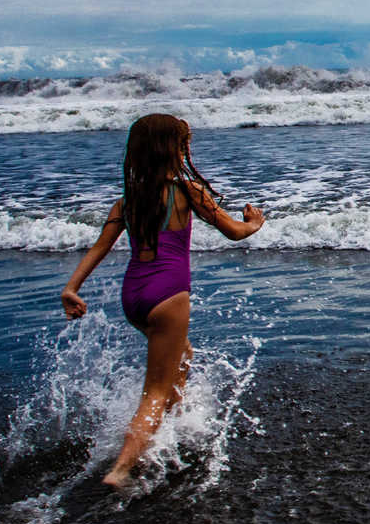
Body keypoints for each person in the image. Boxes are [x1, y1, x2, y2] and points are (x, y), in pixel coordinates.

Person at [60, 113, 265, 488]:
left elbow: (99, 248)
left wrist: (71, 288)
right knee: (154, 390)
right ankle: (121, 469)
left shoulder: (127, 201)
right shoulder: (189, 191)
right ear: (176, 149)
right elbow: (236, 233)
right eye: (185, 142)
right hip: (168, 295)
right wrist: (255, 221)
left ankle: (172, 423)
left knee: (181, 356)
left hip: (134, 296)